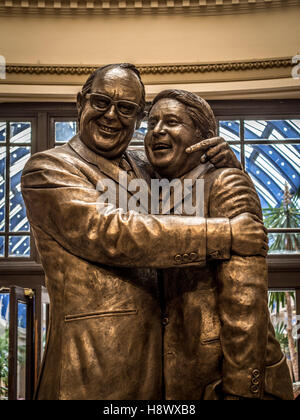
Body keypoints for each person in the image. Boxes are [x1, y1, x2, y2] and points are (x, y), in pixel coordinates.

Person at [21, 64, 267, 400]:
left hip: (163, 377)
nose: (111, 116)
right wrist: (226, 234)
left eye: (126, 109)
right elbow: (111, 231)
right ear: (80, 102)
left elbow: (200, 186)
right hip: (90, 373)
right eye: (101, 102)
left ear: (136, 118)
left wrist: (227, 166)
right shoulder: (49, 168)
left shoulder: (145, 169)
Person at [143, 88, 294, 400]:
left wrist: (239, 393)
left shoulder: (225, 183)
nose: (157, 130)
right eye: (151, 123)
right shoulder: (151, 190)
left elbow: (245, 308)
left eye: (171, 122)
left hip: (224, 383)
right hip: (181, 381)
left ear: (203, 137)